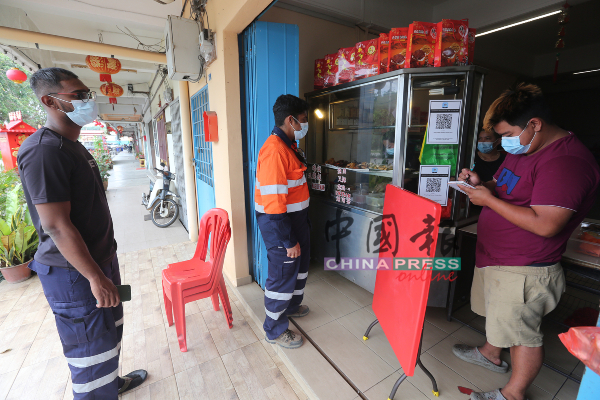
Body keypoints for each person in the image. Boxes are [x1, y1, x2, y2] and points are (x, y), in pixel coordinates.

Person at [455, 83, 600, 400]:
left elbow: (547, 225)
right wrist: (483, 185)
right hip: (499, 256)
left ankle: (513, 394)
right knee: (502, 317)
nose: (504, 142)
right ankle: (490, 353)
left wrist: (487, 202)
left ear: (535, 125)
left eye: (508, 134)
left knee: (523, 336)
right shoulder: (526, 148)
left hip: (524, 266)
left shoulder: (566, 163)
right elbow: (504, 184)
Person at [18, 68, 147, 399]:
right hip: (74, 274)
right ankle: (99, 390)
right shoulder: (44, 150)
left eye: (87, 94)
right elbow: (56, 224)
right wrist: (93, 276)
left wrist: (104, 268)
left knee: (109, 333)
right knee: (90, 350)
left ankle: (112, 383)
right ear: (50, 101)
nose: (88, 100)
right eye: (78, 96)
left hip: (99, 261)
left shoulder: (73, 144)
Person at [255, 94, 311, 349]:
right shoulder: (275, 151)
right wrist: (288, 240)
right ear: (290, 120)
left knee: (299, 266)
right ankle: (274, 330)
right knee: (282, 273)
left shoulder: (288, 145)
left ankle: (291, 307)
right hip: (280, 223)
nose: (305, 125)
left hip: (295, 219)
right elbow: (274, 206)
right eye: (303, 120)